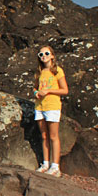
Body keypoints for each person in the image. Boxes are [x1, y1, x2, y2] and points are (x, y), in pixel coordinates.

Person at [33, 45, 68, 177]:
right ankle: (45, 164)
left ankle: (55, 167)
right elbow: (35, 88)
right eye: (41, 54)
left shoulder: (57, 71)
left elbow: (65, 90)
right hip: (40, 107)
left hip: (52, 106)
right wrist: (36, 92)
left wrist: (48, 91)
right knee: (44, 136)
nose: (44, 56)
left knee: (53, 136)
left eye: (46, 53)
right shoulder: (39, 72)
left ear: (52, 55)